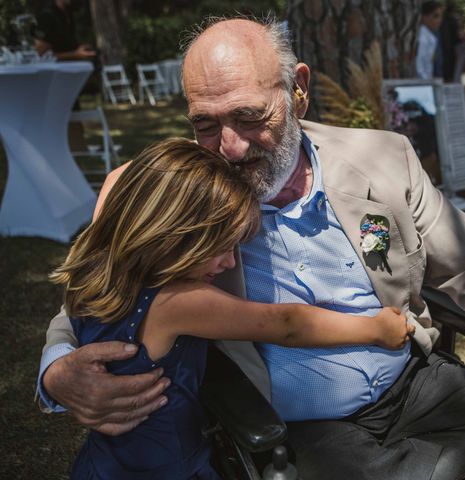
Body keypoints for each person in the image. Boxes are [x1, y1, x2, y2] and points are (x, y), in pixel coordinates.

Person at [37, 16, 465, 480]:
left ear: (296, 90)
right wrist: (58, 373)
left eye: (249, 116)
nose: (228, 147)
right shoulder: (176, 192)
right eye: (205, 125)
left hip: (410, 377)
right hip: (300, 427)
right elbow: (94, 294)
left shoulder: (384, 159)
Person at [52, 137, 412, 479]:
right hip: (166, 465)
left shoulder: (90, 271)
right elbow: (286, 323)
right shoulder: (177, 302)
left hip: (106, 460)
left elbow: (142, 180)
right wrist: (376, 329)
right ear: (176, 234)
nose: (228, 263)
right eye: (221, 246)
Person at [416, 1, 444, 80]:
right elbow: (419, 68)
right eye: (435, 16)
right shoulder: (422, 38)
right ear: (424, 17)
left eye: (440, 17)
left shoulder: (430, 37)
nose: (439, 20)